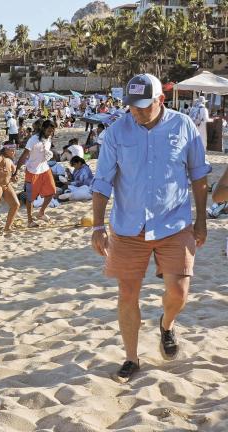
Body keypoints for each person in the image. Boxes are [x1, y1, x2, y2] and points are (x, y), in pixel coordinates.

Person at [90, 73, 211, 382]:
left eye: (144, 106)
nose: (137, 112)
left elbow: (198, 176)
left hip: (175, 223)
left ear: (161, 100)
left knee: (178, 291)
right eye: (132, 106)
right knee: (127, 292)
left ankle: (166, 325)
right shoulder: (117, 131)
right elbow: (102, 181)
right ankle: (131, 358)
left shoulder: (183, 126)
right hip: (129, 226)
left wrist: (201, 219)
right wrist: (97, 226)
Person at [13, 120, 57, 227]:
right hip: (32, 171)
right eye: (49, 131)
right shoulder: (33, 140)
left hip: (45, 169)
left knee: (51, 192)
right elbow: (24, 156)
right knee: (30, 198)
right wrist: (16, 171)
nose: (50, 133)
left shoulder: (49, 139)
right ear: (43, 129)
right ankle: (29, 220)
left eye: (52, 131)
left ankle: (41, 213)